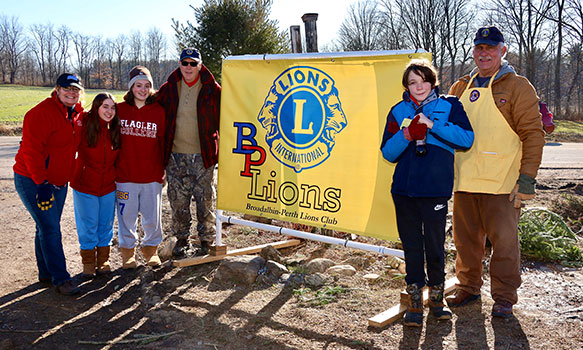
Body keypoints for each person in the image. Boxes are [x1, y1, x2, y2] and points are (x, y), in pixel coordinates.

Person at [447, 26, 545, 318]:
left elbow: (533, 134)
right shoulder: (460, 87)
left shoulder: (518, 86)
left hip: (502, 183)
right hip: (465, 180)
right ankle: (468, 286)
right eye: (479, 48)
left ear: (503, 51)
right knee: (465, 240)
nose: (484, 53)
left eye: (490, 48)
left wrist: (527, 178)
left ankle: (503, 297)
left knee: (504, 243)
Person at [380, 59, 474, 327]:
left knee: (434, 245)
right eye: (412, 82)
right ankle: (414, 301)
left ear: (433, 82)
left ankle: (436, 298)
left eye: (423, 81)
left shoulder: (450, 105)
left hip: (434, 190)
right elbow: (388, 152)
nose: (418, 87)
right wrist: (407, 134)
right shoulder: (398, 110)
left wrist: (432, 125)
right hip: (404, 192)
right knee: (411, 246)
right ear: (407, 86)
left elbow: (467, 139)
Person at [13, 73, 84, 296]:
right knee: (51, 228)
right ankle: (61, 279)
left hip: (59, 182)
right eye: (66, 88)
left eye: (75, 89)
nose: (71, 93)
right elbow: (30, 152)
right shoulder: (39, 114)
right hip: (33, 180)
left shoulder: (78, 114)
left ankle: (45, 273)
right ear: (57, 89)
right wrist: (41, 183)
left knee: (44, 226)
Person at [156, 48, 221, 258]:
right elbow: (150, 107)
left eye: (193, 63)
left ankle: (206, 240)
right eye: (185, 63)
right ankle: (181, 239)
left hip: (204, 155)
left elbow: (228, 115)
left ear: (200, 65)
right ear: (179, 64)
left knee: (206, 200)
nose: (189, 67)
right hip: (175, 156)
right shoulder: (169, 88)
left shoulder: (213, 89)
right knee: (178, 201)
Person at [116, 66, 166, 269]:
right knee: (125, 217)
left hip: (151, 175)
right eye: (138, 85)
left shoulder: (159, 111)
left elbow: (164, 142)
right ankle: (127, 254)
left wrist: (162, 172)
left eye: (147, 86)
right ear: (131, 88)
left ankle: (150, 251)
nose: (143, 90)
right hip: (125, 175)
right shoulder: (119, 110)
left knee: (152, 217)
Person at [71, 93, 121, 277]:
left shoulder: (115, 129)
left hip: (108, 185)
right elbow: (73, 115)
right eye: (105, 106)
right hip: (85, 185)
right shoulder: (84, 124)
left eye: (112, 107)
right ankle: (88, 263)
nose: (109, 111)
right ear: (96, 107)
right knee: (88, 224)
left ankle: (103, 260)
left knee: (106, 224)